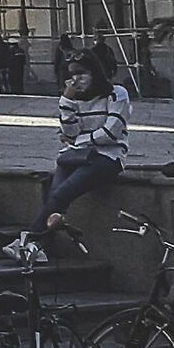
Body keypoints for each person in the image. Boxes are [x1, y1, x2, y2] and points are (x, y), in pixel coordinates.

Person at [36, 52, 130, 234]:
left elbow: (110, 133)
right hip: (75, 156)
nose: (76, 80)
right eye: (71, 75)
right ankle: (38, 246)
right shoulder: (75, 99)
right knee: (55, 198)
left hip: (107, 157)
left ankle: (31, 240)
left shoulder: (117, 94)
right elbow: (69, 131)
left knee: (62, 193)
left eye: (81, 73)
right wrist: (67, 101)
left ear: (94, 72)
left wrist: (79, 141)